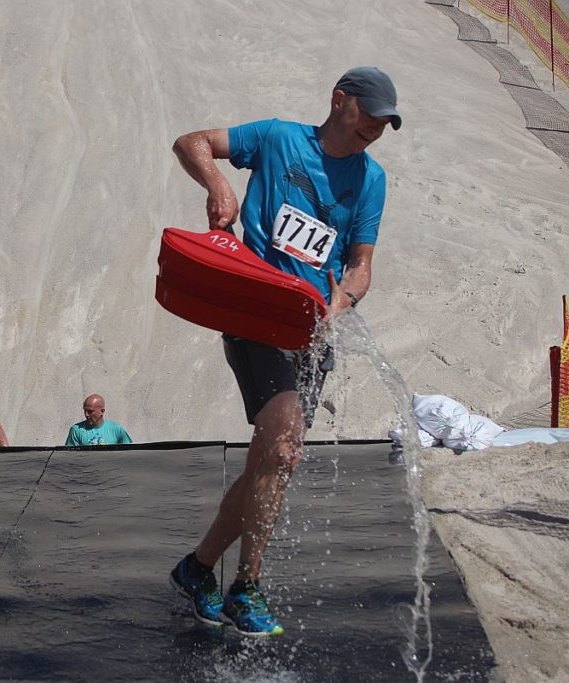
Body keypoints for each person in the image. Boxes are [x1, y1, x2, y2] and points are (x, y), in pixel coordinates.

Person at [168, 67, 401, 636]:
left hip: (315, 327)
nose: (375, 127)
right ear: (339, 100)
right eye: (368, 113)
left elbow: (361, 264)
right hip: (255, 312)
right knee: (283, 436)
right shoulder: (276, 137)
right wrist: (219, 186)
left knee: (277, 456)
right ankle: (247, 587)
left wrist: (343, 299)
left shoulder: (371, 179)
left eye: (385, 123)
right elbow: (191, 142)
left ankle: (198, 568)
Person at [64, 394, 132, 446]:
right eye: (85, 411)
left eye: (90, 411)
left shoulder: (117, 430)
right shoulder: (76, 430)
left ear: (102, 411)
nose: (86, 415)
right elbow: (70, 457)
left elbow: (128, 455)